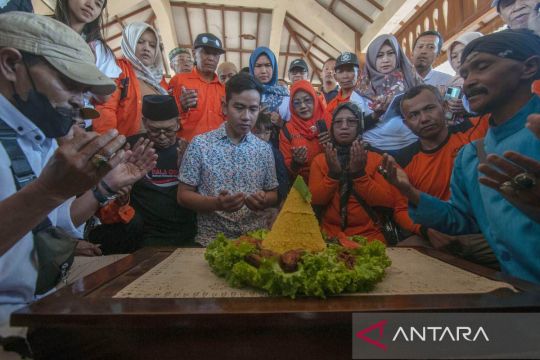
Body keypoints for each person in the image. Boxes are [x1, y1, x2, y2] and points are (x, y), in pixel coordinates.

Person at [0, 12, 156, 350]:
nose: (80, 104)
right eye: (69, 84)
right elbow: (43, 202)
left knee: (145, 288)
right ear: (11, 65)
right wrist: (48, 190)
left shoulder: (38, 139)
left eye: (84, 92)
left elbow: (58, 223)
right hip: (9, 319)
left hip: (44, 294)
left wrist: (106, 186)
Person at [380, 29, 540, 283]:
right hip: (521, 294)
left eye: (482, 67)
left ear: (529, 67)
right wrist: (410, 193)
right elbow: (460, 220)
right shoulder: (471, 155)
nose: (469, 82)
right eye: (465, 74)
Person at [387, 85, 496, 267]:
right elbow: (400, 209)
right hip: (436, 235)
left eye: (429, 108)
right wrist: (425, 230)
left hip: (484, 233)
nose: (424, 119)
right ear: (406, 124)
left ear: (444, 107)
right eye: (414, 115)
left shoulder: (475, 130)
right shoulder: (403, 160)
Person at [177, 74, 278, 246]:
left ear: (259, 109)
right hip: (211, 242)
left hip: (256, 241)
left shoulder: (264, 149)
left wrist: (263, 200)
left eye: (253, 109)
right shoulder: (200, 145)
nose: (246, 116)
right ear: (224, 107)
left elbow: (273, 194)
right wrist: (216, 203)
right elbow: (182, 195)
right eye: (239, 107)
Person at [309, 102, 394, 241]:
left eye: (351, 122)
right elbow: (314, 202)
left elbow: (386, 203)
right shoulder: (320, 160)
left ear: (360, 126)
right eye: (338, 122)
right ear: (332, 127)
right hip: (328, 237)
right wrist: (333, 175)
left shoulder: (375, 159)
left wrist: (359, 175)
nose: (344, 126)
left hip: (369, 237)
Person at [126, 95, 197, 246]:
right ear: (144, 122)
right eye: (155, 130)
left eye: (169, 130)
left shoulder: (188, 150)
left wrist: (188, 171)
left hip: (185, 231)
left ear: (178, 123)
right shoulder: (131, 149)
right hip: (144, 233)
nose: (162, 136)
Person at [53, 0, 122, 129]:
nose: (91, 5)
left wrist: (87, 66)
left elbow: (105, 96)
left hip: (79, 123)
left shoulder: (99, 49)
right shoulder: (42, 27)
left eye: (98, 4)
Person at [93, 22, 168, 136]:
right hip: (129, 147)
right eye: (140, 42)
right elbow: (105, 108)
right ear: (129, 42)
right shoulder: (117, 69)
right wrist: (109, 144)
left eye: (152, 45)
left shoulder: (159, 80)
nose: (147, 48)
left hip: (161, 144)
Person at [357, 34, 422, 151]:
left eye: (390, 53)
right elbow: (354, 126)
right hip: (373, 149)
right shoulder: (361, 88)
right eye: (379, 55)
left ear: (397, 54)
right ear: (372, 59)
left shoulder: (411, 78)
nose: (385, 60)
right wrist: (375, 115)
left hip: (414, 146)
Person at [169, 33, 226, 142]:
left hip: (217, 151)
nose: (211, 58)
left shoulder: (224, 89)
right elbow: (166, 118)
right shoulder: (178, 81)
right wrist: (180, 107)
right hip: (187, 149)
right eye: (206, 52)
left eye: (215, 54)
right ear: (194, 53)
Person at [279, 80, 331, 182]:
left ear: (315, 100)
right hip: (302, 186)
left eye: (307, 100)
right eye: (297, 103)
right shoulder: (287, 130)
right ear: (292, 106)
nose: (302, 106)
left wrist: (333, 142)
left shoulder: (330, 122)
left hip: (330, 181)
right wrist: (296, 162)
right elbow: (288, 167)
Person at [249, 47, 291, 130]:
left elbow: (295, 128)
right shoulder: (245, 94)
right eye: (258, 66)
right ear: (252, 68)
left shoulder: (286, 96)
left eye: (268, 65)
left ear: (274, 67)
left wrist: (281, 122)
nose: (263, 71)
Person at [326, 52, 371, 116]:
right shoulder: (331, 107)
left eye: (350, 70)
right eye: (340, 72)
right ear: (335, 77)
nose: (345, 76)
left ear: (359, 73)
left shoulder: (368, 99)